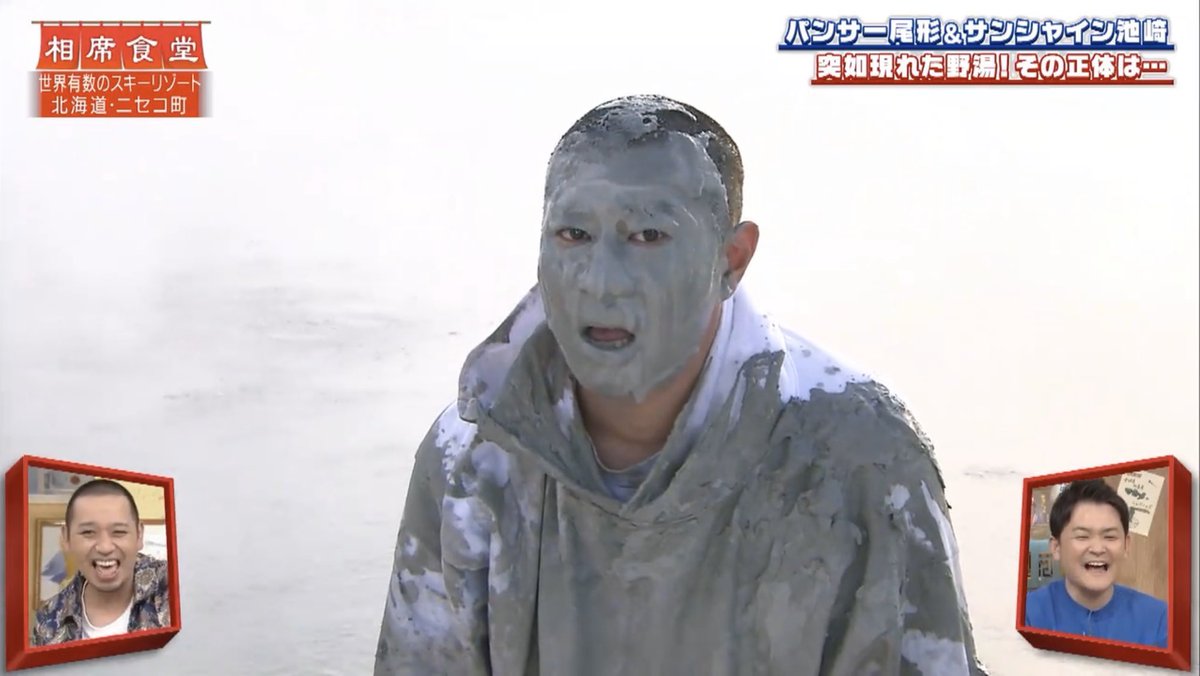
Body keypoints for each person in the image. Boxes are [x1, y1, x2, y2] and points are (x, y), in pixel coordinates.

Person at [375, 94, 987, 675]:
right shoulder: (474, 453)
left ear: (732, 259)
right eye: (573, 235)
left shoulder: (859, 459)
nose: (601, 281)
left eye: (648, 237)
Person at [1024, 479, 1168, 648]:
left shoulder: (1159, 619)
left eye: (1110, 537)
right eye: (1082, 536)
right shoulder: (1028, 613)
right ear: (1056, 547)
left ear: (1126, 545)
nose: (1098, 549)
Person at [31, 479, 171, 646]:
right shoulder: (49, 618)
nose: (105, 547)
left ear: (139, 534)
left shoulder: (173, 587)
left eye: (119, 532)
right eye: (88, 532)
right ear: (66, 537)